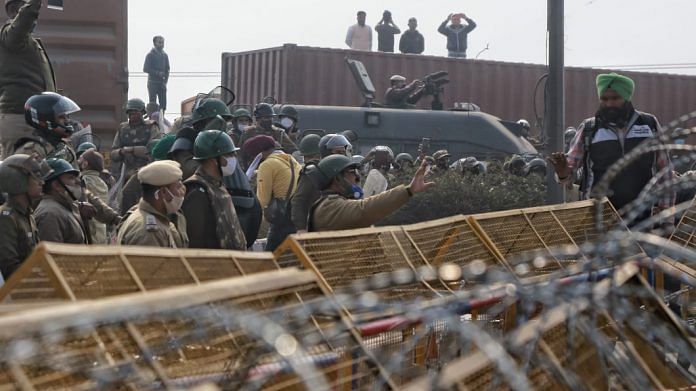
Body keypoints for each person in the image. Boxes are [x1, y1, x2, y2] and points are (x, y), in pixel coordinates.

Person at [548, 72, 674, 217]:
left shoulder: (648, 125)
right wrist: (562, 172)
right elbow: (567, 176)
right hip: (598, 218)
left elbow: (665, 173)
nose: (609, 104)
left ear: (626, 98)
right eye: (604, 99)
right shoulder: (590, 128)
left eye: (615, 98)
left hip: (641, 215)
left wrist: (666, 219)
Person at [309, 156, 434, 232]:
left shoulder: (330, 203)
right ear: (337, 179)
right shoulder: (329, 207)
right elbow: (365, 209)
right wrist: (408, 190)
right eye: (352, 172)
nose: (357, 176)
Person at [0, 0, 56, 159]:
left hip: (30, 117)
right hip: (20, 117)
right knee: (20, 173)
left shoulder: (24, 42)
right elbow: (23, 20)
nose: (34, 19)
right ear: (14, 11)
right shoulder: (11, 37)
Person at [181, 129, 246, 250]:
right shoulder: (197, 192)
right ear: (213, 160)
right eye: (229, 155)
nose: (234, 158)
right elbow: (195, 240)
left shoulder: (217, 185)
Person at [247, 135, 302, 251]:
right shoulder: (291, 160)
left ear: (258, 153)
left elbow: (262, 201)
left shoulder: (267, 165)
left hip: (282, 218)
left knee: (270, 256)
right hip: (298, 214)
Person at [117, 160, 188, 248]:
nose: (182, 192)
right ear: (163, 192)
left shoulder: (158, 219)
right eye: (178, 187)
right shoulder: (149, 233)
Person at [0, 154, 43, 278]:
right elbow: (10, 266)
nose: (41, 182)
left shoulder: (28, 215)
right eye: (36, 177)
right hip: (19, 291)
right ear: (18, 181)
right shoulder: (6, 217)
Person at [14, 92, 80, 164]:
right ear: (45, 121)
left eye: (67, 116)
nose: (67, 121)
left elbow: (75, 174)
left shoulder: (62, 144)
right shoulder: (31, 151)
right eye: (61, 117)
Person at [119, 133, 176, 215]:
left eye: (149, 155)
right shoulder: (143, 174)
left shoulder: (147, 174)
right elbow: (127, 194)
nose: (149, 158)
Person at [34, 158, 88, 244]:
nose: (77, 181)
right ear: (56, 185)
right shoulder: (50, 214)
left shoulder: (63, 207)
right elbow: (52, 255)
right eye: (71, 178)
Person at [110, 98, 161, 182]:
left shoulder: (151, 126)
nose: (132, 115)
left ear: (142, 112)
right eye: (130, 113)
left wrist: (133, 150)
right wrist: (121, 152)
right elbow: (113, 153)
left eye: (135, 112)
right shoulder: (123, 128)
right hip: (124, 172)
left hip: (145, 170)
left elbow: (154, 149)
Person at [290, 134, 327, 233]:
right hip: (314, 225)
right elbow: (298, 200)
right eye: (307, 157)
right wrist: (301, 228)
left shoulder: (324, 170)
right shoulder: (311, 171)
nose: (309, 160)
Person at [77, 149, 109, 244]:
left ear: (85, 164)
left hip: (90, 229)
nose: (77, 161)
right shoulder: (102, 182)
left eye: (80, 159)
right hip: (101, 229)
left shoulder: (84, 180)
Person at [143, 35, 170, 112]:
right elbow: (145, 69)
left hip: (162, 83)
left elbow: (167, 69)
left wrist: (165, 82)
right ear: (154, 43)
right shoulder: (150, 55)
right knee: (153, 105)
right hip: (152, 83)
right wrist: (157, 73)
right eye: (160, 42)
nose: (162, 44)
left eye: (163, 43)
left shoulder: (165, 55)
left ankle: (161, 121)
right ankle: (153, 121)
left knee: (163, 105)